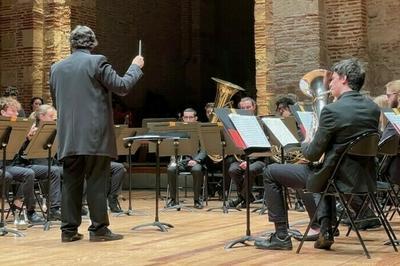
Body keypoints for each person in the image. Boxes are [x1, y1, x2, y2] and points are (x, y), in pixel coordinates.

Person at [254, 58, 380, 251]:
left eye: (333, 79)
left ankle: (280, 236)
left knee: (271, 171)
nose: (330, 84)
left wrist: (306, 142)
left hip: (335, 179)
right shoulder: (373, 108)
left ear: (344, 79)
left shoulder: (332, 110)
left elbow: (312, 154)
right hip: (363, 177)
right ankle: (325, 229)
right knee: (323, 167)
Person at [50, 25, 144, 242]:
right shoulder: (97, 61)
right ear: (92, 43)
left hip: (68, 136)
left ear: (71, 43)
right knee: (96, 181)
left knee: (71, 183)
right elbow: (121, 86)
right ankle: (99, 229)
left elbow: (58, 102)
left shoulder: (56, 67)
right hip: (94, 135)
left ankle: (68, 231)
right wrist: (135, 67)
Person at [0, 97, 44, 223]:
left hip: (9, 164)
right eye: (12, 111)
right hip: (3, 165)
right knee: (6, 175)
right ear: (2, 113)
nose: (16, 114)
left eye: (16, 111)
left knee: (28, 173)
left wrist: (27, 139)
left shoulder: (17, 128)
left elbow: (18, 151)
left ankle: (29, 211)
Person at [228, 97, 266, 207]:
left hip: (260, 158)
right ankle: (247, 197)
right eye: (243, 108)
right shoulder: (236, 125)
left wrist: (250, 160)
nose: (245, 110)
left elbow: (264, 146)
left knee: (250, 169)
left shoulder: (261, 123)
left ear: (254, 107)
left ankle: (241, 197)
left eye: (248, 107)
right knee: (233, 169)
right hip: (242, 158)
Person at [167, 108, 206, 209]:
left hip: (196, 161)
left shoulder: (201, 130)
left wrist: (196, 160)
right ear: (183, 118)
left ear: (195, 118)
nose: (188, 120)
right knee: (171, 169)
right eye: (186, 117)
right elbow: (173, 147)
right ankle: (173, 200)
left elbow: (205, 149)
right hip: (182, 161)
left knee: (197, 170)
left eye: (190, 117)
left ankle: (197, 200)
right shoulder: (178, 130)